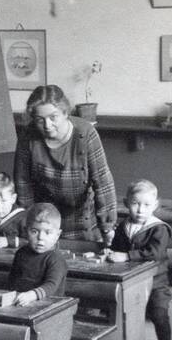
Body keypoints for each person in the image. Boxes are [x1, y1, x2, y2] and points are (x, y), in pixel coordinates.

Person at [14, 85, 118, 243]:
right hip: (43, 222)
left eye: (53, 117)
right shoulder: (28, 136)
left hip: (81, 222)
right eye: (40, 120)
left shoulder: (85, 134)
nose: (47, 125)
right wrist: (27, 223)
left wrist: (107, 227)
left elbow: (103, 182)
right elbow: (23, 183)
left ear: (65, 112)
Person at [108, 180, 172, 340]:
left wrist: (126, 256)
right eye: (135, 203)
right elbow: (116, 249)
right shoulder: (124, 226)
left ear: (155, 205)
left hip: (156, 282)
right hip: (129, 281)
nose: (140, 209)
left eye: (146, 205)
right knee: (119, 311)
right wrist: (109, 253)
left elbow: (155, 253)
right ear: (126, 203)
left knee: (159, 313)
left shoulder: (159, 228)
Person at [7, 203, 67, 305]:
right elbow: (12, 280)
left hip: (50, 306)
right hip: (22, 303)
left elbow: (51, 285)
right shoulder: (21, 253)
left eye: (48, 232)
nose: (40, 238)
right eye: (34, 231)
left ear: (57, 235)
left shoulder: (56, 259)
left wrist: (32, 295)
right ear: (26, 231)